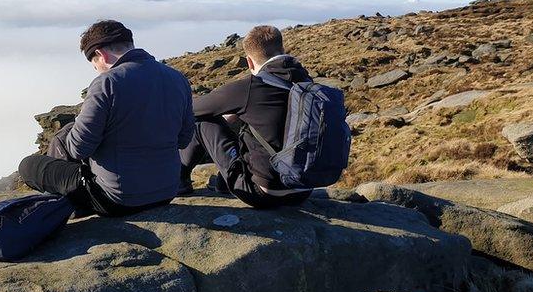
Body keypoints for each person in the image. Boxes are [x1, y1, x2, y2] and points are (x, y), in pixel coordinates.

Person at [19, 20, 195, 216]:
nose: (96, 70)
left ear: (100, 55)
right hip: (167, 191)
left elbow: (79, 148)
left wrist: (75, 130)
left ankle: (61, 206)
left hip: (118, 199)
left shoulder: (107, 82)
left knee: (28, 165)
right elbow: (184, 139)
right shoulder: (177, 78)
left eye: (94, 64)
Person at [179, 25, 313, 208]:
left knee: (202, 123)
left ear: (249, 62)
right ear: (282, 49)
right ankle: (223, 182)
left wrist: (229, 110)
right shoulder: (306, 83)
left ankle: (179, 180)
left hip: (262, 193)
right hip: (303, 190)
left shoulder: (251, 87)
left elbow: (192, 108)